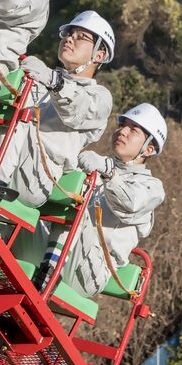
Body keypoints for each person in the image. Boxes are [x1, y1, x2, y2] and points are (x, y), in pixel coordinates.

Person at [0, 10, 115, 208]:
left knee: (22, 116)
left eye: (81, 37)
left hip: (37, 178)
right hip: (1, 158)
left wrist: (53, 81)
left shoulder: (100, 97)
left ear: (99, 55)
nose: (70, 39)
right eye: (68, 34)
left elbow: (76, 110)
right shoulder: (42, 79)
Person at [58, 104, 168, 297]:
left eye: (133, 130)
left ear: (149, 149)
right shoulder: (97, 164)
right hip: (61, 251)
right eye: (122, 125)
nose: (122, 131)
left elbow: (129, 203)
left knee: (76, 215)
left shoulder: (152, 188)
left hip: (89, 272)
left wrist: (108, 173)